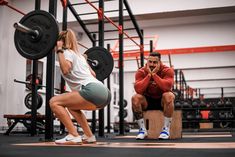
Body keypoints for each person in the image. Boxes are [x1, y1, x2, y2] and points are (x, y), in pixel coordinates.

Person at [50, 29, 111, 145]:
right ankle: (89, 135)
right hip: (104, 92)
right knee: (72, 107)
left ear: (60, 41)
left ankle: (73, 135)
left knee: (54, 102)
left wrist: (59, 50)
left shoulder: (66, 52)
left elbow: (66, 70)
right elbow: (93, 74)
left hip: (93, 90)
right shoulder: (80, 57)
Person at [131, 52, 175, 140]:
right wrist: (148, 75)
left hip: (162, 101)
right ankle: (142, 130)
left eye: (154, 62)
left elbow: (167, 87)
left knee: (169, 96)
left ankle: (166, 130)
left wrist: (154, 75)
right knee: (135, 98)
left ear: (160, 62)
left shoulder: (167, 70)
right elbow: (138, 90)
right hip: (147, 100)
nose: (151, 64)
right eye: (149, 62)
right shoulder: (141, 71)